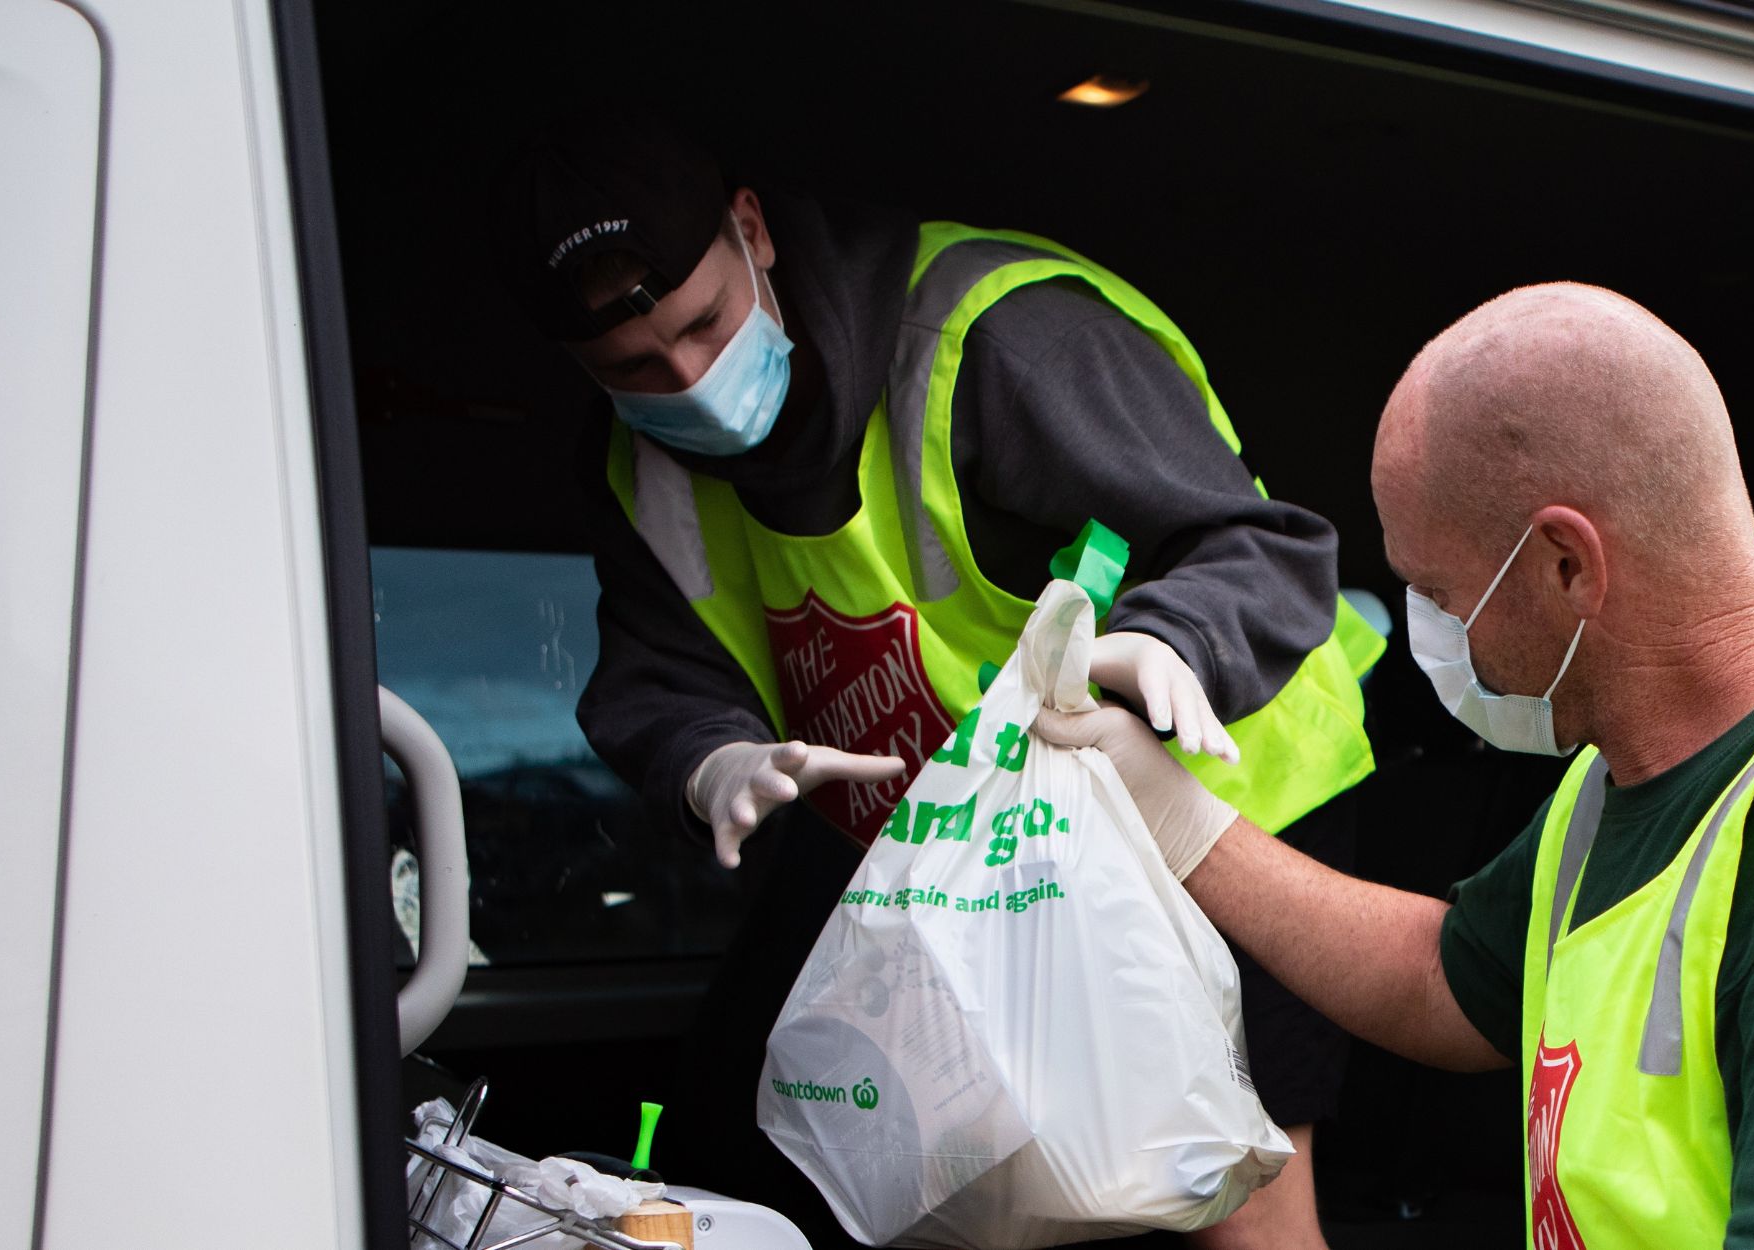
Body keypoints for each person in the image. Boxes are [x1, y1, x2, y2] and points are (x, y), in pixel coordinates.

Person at [1039, 285, 1754, 1248]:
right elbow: (1446, 979)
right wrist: (1180, 823)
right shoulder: (1620, 783)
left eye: (1441, 590)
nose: (1436, 634)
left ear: (1567, 563)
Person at [501, 122, 1382, 1249]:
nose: (687, 379)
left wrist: (1172, 641)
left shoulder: (996, 338)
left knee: (1225, 1189)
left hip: (1223, 801)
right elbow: (662, 673)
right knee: (964, 1184)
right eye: (633, 366)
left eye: (705, 325)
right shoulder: (641, 468)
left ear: (753, 231)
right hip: (976, 868)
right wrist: (710, 756)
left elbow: (1264, 549)